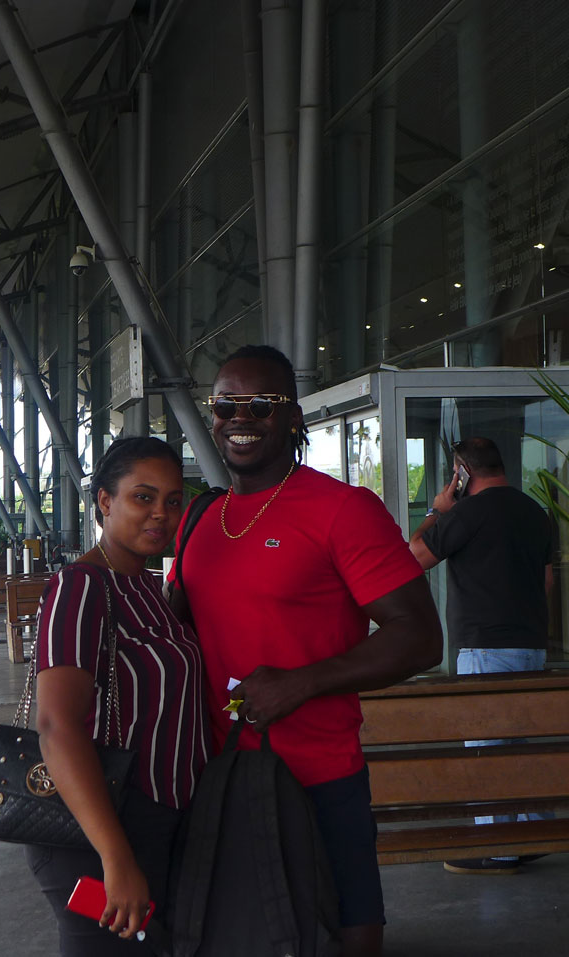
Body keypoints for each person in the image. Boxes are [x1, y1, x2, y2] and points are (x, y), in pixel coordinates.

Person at [171, 345, 443, 957]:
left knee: (344, 932)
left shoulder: (344, 510)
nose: (240, 418)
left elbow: (420, 636)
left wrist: (300, 682)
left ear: (294, 417)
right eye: (226, 405)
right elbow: (177, 630)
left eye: (261, 406)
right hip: (213, 776)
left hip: (317, 775)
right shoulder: (199, 518)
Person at [28, 436, 208, 955]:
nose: (160, 514)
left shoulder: (148, 587)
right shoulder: (81, 587)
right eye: (142, 498)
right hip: (97, 831)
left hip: (158, 820)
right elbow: (56, 725)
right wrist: (116, 857)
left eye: (173, 501)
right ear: (105, 501)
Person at [408, 435, 554, 876]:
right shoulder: (534, 511)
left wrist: (437, 510)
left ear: (462, 473)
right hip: (531, 646)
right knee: (517, 746)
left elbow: (412, 557)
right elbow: (546, 580)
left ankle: (498, 847)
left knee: (487, 750)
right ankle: (526, 836)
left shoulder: (467, 513)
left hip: (484, 648)